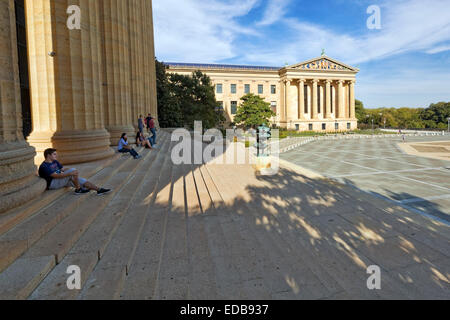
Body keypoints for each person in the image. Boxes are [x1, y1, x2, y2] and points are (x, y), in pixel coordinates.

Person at [38, 148, 111, 195]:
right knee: (72, 172)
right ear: (48, 155)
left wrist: (71, 172)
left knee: (81, 180)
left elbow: (62, 169)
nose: (56, 156)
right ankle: (78, 189)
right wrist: (70, 173)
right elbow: (55, 175)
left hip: (59, 180)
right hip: (52, 183)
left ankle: (99, 190)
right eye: (54, 154)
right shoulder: (44, 166)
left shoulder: (55, 162)